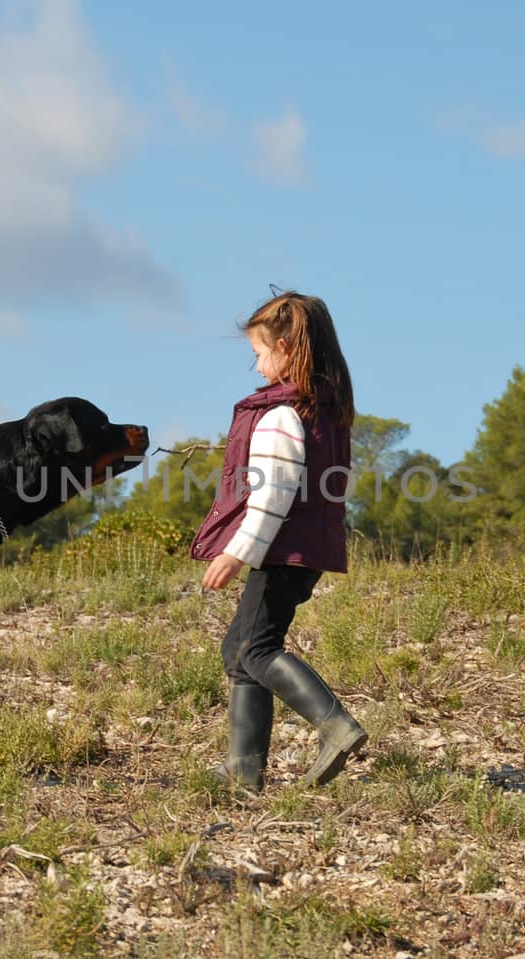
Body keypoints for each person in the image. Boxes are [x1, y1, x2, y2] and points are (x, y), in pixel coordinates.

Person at [189, 289, 366, 791]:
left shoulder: (281, 416)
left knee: (257, 649)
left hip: (281, 550)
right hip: (304, 550)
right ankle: (244, 768)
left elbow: (272, 499)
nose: (258, 366)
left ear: (286, 349)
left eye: (260, 354)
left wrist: (233, 553)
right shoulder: (322, 411)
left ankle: (335, 726)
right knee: (241, 649)